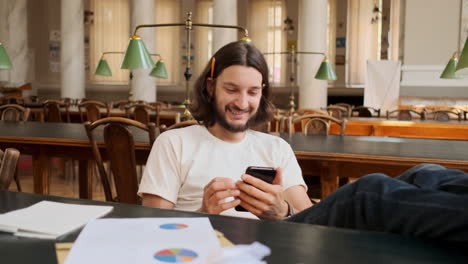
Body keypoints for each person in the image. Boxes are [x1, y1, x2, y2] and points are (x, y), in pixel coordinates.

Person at [138, 40, 312, 219]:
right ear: (211, 87)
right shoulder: (173, 143)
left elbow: (311, 223)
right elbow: (154, 225)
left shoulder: (277, 148)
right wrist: (203, 214)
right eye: (231, 90)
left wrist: (283, 211)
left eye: (252, 92)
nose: (242, 103)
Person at [287, 163, 468, 245]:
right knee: (427, 171)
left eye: (257, 91)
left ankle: (274, 235)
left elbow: (303, 208)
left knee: (369, 193)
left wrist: (286, 210)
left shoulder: (277, 147)